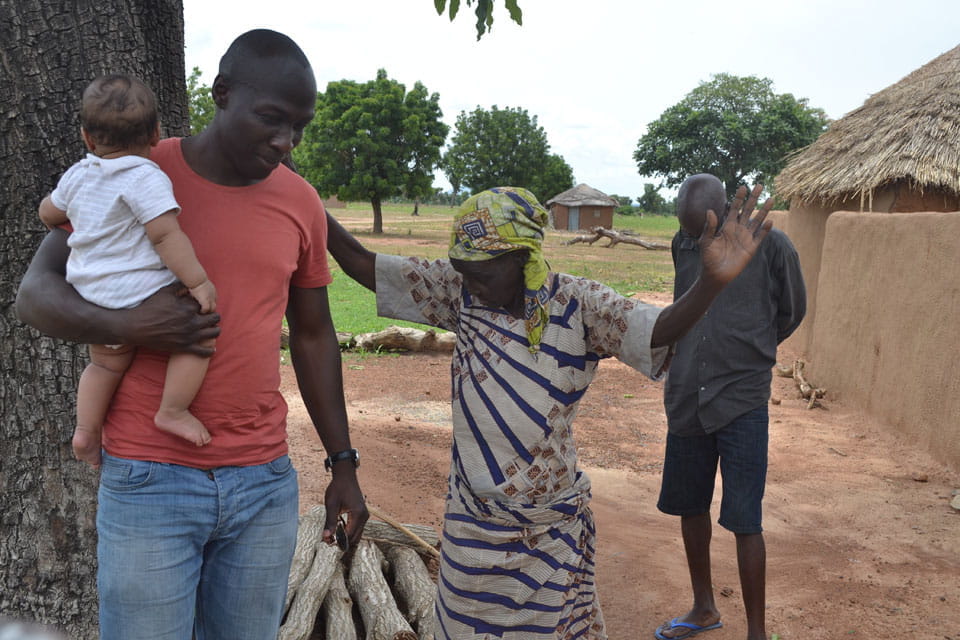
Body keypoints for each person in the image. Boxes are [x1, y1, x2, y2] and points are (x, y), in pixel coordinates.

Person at [16, 30, 368, 640]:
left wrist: (343, 464)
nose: (287, 142)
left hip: (263, 484)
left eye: (299, 126)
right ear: (221, 93)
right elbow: (36, 294)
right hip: (151, 479)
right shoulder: (137, 169)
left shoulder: (301, 202)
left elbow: (313, 337)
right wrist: (126, 325)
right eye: (272, 120)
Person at [326, 184, 773, 639]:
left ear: (522, 258)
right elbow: (365, 264)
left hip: (547, 531)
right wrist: (309, 207)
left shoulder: (578, 306)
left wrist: (710, 285)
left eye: (482, 273)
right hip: (472, 526)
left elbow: (655, 330)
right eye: (464, 271)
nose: (472, 283)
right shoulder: (459, 293)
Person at [654, 174, 806, 640]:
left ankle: (756, 633)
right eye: (690, 230)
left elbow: (792, 312)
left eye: (705, 229)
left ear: (724, 212)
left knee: (745, 518)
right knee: (689, 506)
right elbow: (685, 303)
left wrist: (748, 349)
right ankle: (704, 609)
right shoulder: (684, 244)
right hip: (686, 395)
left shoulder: (773, 247)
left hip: (742, 398)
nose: (697, 238)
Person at [38, 74, 217, 468]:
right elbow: (165, 235)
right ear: (155, 134)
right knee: (197, 338)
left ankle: (86, 431)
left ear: (88, 138)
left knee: (103, 364)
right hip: (141, 291)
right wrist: (198, 282)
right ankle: (171, 410)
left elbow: (49, 212)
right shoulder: (146, 177)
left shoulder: (79, 174)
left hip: (92, 294)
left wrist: (56, 212)